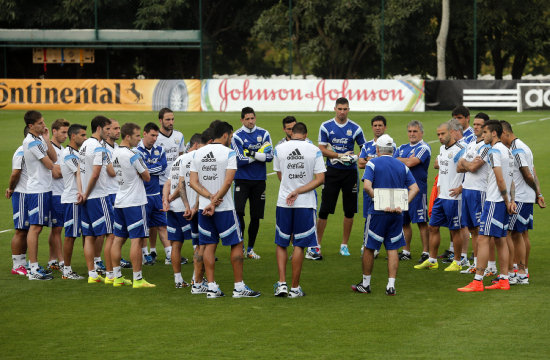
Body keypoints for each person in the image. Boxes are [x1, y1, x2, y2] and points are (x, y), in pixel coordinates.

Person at [190, 121, 260, 298]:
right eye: (230, 136)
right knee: (236, 244)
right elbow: (228, 182)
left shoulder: (197, 153)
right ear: (226, 135)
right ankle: (238, 287)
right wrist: (215, 201)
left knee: (208, 246)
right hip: (225, 208)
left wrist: (209, 198)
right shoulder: (229, 153)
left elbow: (193, 182)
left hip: (204, 209)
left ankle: (212, 287)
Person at [352, 134, 419, 295]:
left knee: (369, 248)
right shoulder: (402, 166)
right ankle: (391, 285)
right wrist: (402, 205)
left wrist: (380, 201)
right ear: (393, 149)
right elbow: (415, 188)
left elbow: (367, 186)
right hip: (397, 213)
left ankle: (366, 284)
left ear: (377, 149)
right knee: (393, 248)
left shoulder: (372, 163)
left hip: (377, 213)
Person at [458, 120, 516, 292]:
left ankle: (477, 281)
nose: (482, 136)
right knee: (501, 239)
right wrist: (511, 200)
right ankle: (504, 280)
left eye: (485, 133)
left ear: (494, 134)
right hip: (503, 201)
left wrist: (506, 201)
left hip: (494, 201)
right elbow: (511, 180)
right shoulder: (508, 151)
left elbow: (500, 179)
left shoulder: (494, 151)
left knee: (483, 238)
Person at [272, 122, 326, 298]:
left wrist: (290, 189)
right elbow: (320, 179)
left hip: (284, 201)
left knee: (281, 242)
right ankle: (295, 288)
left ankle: (281, 284)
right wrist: (299, 190)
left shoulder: (280, 149)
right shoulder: (314, 150)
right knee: (299, 245)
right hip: (305, 202)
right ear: (305, 134)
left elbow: (280, 174)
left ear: (292, 133)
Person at [316, 97, 366, 259]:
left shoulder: (356, 129)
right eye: (340, 109)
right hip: (331, 172)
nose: (342, 112)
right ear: (335, 109)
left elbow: (364, 150)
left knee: (349, 210)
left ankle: (344, 245)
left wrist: (355, 157)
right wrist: (339, 155)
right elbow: (321, 149)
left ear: (348, 110)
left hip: (350, 173)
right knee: (324, 209)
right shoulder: (326, 126)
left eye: (345, 109)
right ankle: (317, 244)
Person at [415, 122, 465, 271]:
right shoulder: (442, 148)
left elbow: (471, 172)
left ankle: (457, 261)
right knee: (433, 227)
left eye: (443, 134)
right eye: (438, 134)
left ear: (450, 132)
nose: (440, 137)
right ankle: (432, 260)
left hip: (454, 198)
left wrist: (461, 188)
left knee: (454, 230)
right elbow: (440, 166)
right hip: (441, 196)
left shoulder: (461, 150)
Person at [500, 120, 545, 284]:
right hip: (525, 196)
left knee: (511, 234)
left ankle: (515, 271)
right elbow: (533, 171)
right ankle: (522, 272)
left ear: (505, 133)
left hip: (519, 197)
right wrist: (537, 193)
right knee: (522, 234)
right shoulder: (522, 147)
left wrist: (536, 192)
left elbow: (528, 175)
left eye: (499, 136)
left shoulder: (517, 150)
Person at [111, 122, 154, 288]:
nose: (139, 139)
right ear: (128, 136)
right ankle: (137, 279)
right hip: (134, 202)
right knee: (137, 240)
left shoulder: (114, 152)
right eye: (137, 136)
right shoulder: (133, 154)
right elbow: (147, 176)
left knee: (118, 239)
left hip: (120, 199)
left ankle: (117, 277)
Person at [162, 133, 204, 290]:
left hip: (172, 209)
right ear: (197, 145)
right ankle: (197, 279)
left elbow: (167, 183)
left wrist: (166, 200)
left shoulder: (177, 161)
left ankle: (178, 280)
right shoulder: (193, 159)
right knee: (197, 244)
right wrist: (173, 199)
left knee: (176, 245)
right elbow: (182, 186)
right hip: (186, 208)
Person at [231, 107, 273, 260]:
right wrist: (260, 154)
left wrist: (251, 153)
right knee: (239, 211)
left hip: (259, 181)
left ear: (255, 118)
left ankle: (250, 249)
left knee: (256, 216)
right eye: (247, 119)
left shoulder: (264, 133)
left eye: (252, 118)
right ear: (242, 120)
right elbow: (240, 161)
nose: (250, 121)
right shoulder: (236, 136)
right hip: (242, 179)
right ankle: (240, 244)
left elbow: (270, 157)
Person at [80, 115, 115, 283]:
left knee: (88, 236)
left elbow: (79, 172)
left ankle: (92, 274)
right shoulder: (99, 147)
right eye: (107, 129)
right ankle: (110, 274)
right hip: (98, 196)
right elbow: (95, 174)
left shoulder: (83, 146)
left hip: (85, 198)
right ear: (99, 129)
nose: (109, 133)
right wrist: (86, 193)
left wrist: (81, 193)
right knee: (110, 234)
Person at [23, 110, 57, 280]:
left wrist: (46, 138)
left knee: (38, 228)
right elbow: (50, 164)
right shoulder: (30, 142)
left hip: (44, 188)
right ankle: (33, 269)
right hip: (37, 190)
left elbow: (54, 156)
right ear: (31, 126)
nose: (44, 125)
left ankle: (34, 266)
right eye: (40, 123)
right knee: (35, 228)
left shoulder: (38, 140)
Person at [456, 113, 490, 274]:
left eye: (479, 125)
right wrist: (467, 164)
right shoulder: (470, 143)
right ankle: (476, 263)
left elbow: (473, 167)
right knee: (472, 230)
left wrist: (466, 164)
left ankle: (489, 265)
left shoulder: (486, 146)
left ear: (486, 128)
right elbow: (459, 166)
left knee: (482, 230)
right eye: (474, 124)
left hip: (479, 191)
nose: (475, 127)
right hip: (467, 188)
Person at [151, 108, 186, 263]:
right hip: (157, 184)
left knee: (170, 219)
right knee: (157, 219)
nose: (171, 122)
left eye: (172, 119)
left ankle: (169, 253)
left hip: (174, 184)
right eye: (167, 120)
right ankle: (154, 251)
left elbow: (181, 158)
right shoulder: (155, 138)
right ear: (160, 120)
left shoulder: (179, 136)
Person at [394, 120, 431, 262]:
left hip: (418, 190)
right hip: (402, 190)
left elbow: (411, 162)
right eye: (409, 131)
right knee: (404, 222)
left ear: (421, 132)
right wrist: (403, 159)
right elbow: (397, 161)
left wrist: (399, 159)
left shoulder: (424, 147)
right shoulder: (402, 147)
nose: (412, 134)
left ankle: (426, 252)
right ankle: (406, 252)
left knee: (421, 221)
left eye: (415, 131)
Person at [136, 122, 170, 265]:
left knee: (162, 225)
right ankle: (145, 255)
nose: (155, 138)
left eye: (156, 135)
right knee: (144, 227)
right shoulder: (136, 151)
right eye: (152, 135)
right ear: (144, 134)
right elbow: (139, 170)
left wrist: (146, 169)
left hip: (156, 194)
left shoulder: (160, 150)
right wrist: (148, 169)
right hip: (141, 195)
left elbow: (162, 167)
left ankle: (170, 254)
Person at [59, 124, 87, 280]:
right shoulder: (68, 154)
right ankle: (67, 270)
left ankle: (93, 265)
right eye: (82, 135)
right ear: (73, 136)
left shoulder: (78, 153)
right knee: (71, 235)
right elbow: (80, 172)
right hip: (72, 199)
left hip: (81, 198)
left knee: (87, 234)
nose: (85, 138)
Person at [102, 120, 131, 269]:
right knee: (112, 235)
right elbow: (111, 171)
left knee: (120, 234)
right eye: (114, 129)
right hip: (109, 193)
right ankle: (109, 269)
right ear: (107, 131)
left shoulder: (118, 148)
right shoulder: (104, 149)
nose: (118, 131)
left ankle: (114, 262)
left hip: (119, 192)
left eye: (119, 128)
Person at [6, 126, 31, 276]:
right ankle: (17, 265)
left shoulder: (30, 151)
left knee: (28, 230)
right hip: (21, 194)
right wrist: (10, 188)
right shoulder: (21, 152)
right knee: (21, 230)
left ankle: (23, 262)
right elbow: (15, 173)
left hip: (30, 194)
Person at [47, 119, 70, 273]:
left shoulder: (62, 149)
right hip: (55, 193)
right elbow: (55, 173)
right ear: (53, 131)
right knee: (57, 229)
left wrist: (64, 170)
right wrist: (68, 171)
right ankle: (61, 261)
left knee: (56, 229)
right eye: (63, 132)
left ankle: (52, 260)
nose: (66, 135)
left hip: (61, 193)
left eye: (67, 132)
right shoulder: (50, 150)